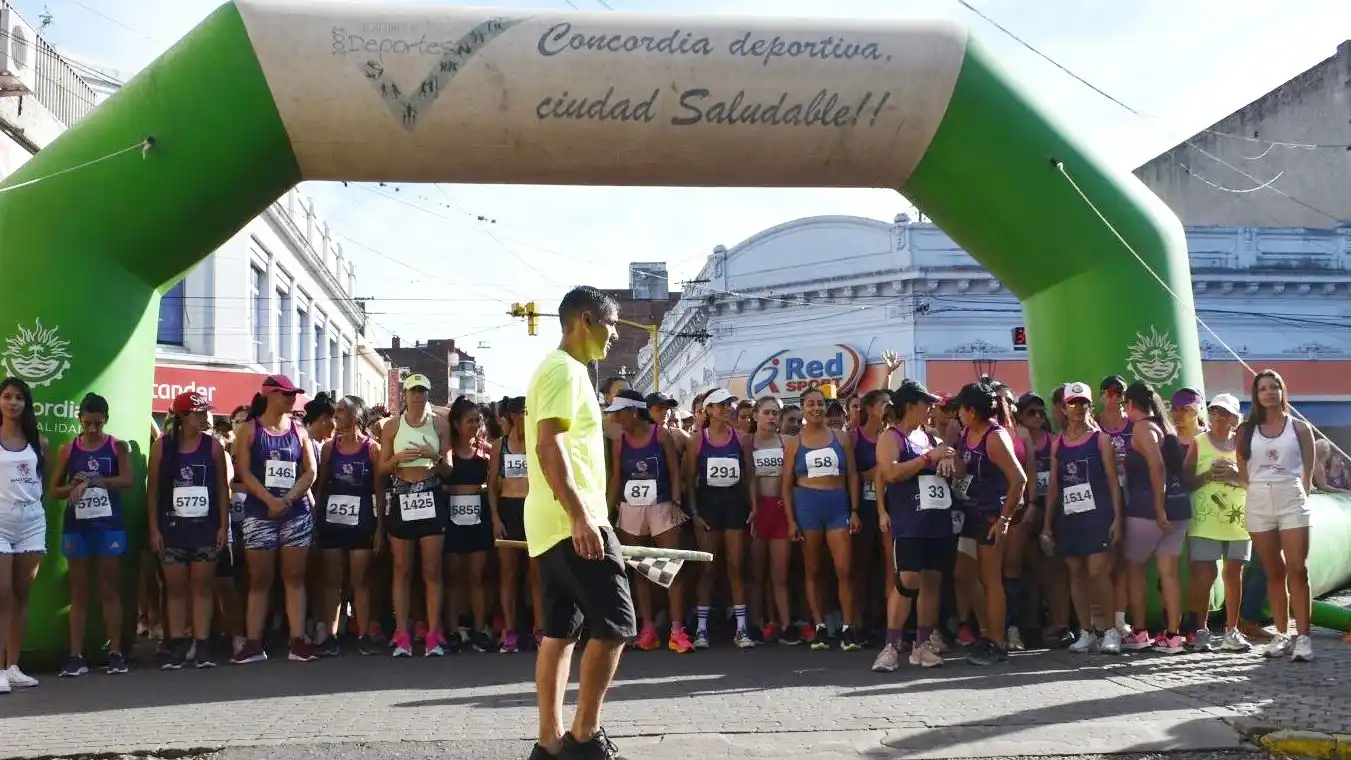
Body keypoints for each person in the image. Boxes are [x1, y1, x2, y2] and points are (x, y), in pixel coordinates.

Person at [525, 286, 635, 760]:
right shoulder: (564, 370)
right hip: (573, 519)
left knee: (560, 632)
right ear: (585, 320)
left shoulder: (565, 372)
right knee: (616, 625)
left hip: (555, 522)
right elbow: (549, 447)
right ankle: (584, 738)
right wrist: (581, 517)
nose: (613, 336)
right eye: (611, 326)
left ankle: (548, 746)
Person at [231, 375, 320, 664]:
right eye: (286, 393)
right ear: (269, 394)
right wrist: (269, 501)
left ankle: (298, 642)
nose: (292, 398)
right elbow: (243, 471)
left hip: (295, 514)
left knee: (294, 578)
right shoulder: (249, 430)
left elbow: (310, 471)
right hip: (260, 513)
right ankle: (254, 643)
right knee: (259, 580)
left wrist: (289, 499)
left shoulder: (299, 431)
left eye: (294, 393)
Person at [873, 379, 956, 671]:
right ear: (910, 405)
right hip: (909, 522)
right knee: (907, 581)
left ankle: (921, 646)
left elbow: (948, 461)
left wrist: (948, 461)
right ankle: (891, 646)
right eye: (926, 403)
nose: (932, 407)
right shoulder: (891, 437)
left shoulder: (931, 436)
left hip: (937, 520)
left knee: (932, 582)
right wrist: (926, 459)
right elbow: (891, 473)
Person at [147, 390, 230, 669]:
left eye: (206, 412)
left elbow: (222, 489)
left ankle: (202, 644)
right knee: (175, 589)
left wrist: (223, 526)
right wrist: (154, 529)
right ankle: (177, 645)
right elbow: (153, 491)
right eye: (199, 413)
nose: (205, 417)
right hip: (172, 529)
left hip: (205, 528)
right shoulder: (162, 447)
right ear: (183, 416)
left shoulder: (213, 447)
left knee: (203, 587)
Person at [52, 393, 133, 676]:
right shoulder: (68, 449)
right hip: (78, 527)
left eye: (98, 424)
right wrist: (72, 485)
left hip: (109, 526)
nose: (92, 429)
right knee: (79, 592)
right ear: (79, 420)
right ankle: (75, 656)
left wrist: (96, 481)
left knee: (109, 588)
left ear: (106, 420)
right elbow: (53, 491)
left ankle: (116, 653)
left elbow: (127, 480)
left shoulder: (116, 446)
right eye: (87, 423)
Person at [1237, 369, 1316, 662]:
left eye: (1274, 387)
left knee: (1298, 567)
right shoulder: (1246, 430)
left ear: (1282, 392)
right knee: (1272, 571)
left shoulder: (1299, 428)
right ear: (1256, 395)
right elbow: (1242, 469)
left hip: (1291, 497)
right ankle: (1282, 634)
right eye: (1263, 389)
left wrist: (1300, 494)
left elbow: (1309, 470)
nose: (1269, 392)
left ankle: (1303, 637)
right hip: (1258, 499)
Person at [1040, 382, 1123, 655]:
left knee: (1098, 572)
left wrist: (1117, 518)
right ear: (1063, 408)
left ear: (1090, 406)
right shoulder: (1058, 443)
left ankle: (1110, 630)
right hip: (1069, 517)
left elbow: (1113, 482)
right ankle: (1086, 631)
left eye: (1083, 403)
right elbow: (1054, 486)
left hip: (1098, 516)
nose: (1078, 408)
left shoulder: (1101, 440)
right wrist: (1047, 526)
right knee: (1075, 572)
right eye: (1072, 403)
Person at [607, 389, 689, 653]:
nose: (616, 418)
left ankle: (677, 630)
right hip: (631, 508)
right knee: (640, 569)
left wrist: (676, 502)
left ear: (632, 411)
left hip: (663, 506)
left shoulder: (660, 434)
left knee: (670, 566)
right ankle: (648, 628)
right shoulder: (619, 442)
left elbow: (675, 471)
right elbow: (617, 477)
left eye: (619, 413)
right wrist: (608, 510)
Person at [952, 381, 1027, 665]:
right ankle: (987, 632)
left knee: (991, 579)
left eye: (960, 408)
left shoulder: (995, 437)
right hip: (970, 513)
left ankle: (997, 643)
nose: (957, 413)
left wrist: (1005, 519)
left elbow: (1019, 479)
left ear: (971, 410)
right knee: (964, 574)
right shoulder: (967, 433)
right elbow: (963, 466)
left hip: (991, 516)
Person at [379, 373, 453, 658]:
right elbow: (382, 470)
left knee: (432, 570)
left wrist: (432, 455)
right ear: (405, 395)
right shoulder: (392, 426)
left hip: (430, 494)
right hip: (402, 494)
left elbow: (448, 468)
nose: (418, 396)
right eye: (413, 391)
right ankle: (402, 633)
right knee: (402, 569)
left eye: (423, 391)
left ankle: (434, 633)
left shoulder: (440, 424)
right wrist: (398, 459)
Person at [782, 386, 861, 652]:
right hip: (807, 506)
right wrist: (791, 520)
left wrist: (855, 509)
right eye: (810, 404)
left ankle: (848, 627)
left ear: (825, 407)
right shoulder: (794, 443)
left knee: (844, 568)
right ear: (803, 409)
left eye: (819, 403)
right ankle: (819, 626)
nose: (816, 408)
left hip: (838, 505)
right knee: (812, 569)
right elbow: (786, 484)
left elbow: (852, 475)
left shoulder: (842, 437)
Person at [1119, 381, 1190, 654]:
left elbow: (1157, 466)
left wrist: (1158, 509)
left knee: (1135, 570)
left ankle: (1139, 632)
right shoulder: (1166, 427)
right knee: (1169, 575)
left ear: (1129, 404)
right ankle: (1173, 636)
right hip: (1178, 508)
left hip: (1148, 511)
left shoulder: (1142, 428)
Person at [314, 395, 383, 656]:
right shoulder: (329, 448)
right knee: (332, 582)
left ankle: (365, 635)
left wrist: (380, 529)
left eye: (342, 411)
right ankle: (330, 637)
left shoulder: (372, 449)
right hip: (332, 522)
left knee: (361, 581)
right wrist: (316, 521)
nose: (336, 415)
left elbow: (378, 491)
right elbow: (321, 488)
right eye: (336, 411)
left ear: (356, 415)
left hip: (362, 521)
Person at [686, 388, 754, 649]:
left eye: (729, 404)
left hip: (734, 506)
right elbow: (689, 480)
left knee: (736, 567)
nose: (727, 409)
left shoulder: (741, 439)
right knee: (708, 568)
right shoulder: (697, 440)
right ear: (709, 410)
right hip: (708, 507)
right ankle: (701, 630)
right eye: (721, 405)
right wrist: (693, 513)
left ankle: (741, 628)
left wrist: (753, 505)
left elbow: (748, 476)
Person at [1183, 392, 1251, 654]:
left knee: (1234, 575)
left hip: (1239, 520)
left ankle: (1231, 631)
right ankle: (1200, 631)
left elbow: (1253, 481)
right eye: (1213, 412)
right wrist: (1209, 475)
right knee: (1204, 574)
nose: (1217, 417)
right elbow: (1186, 481)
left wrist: (1235, 474)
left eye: (1224, 413)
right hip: (1205, 520)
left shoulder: (1244, 446)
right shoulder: (1199, 442)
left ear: (1235, 419)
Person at [0, 377, 49, 692]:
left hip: (32, 521)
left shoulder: (39, 441)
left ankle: (13, 666)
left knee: (21, 596)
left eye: (19, 397)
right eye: (7, 396)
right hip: (0, 520)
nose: (13, 402)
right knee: (2, 594)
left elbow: (42, 482)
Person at [489, 395, 542, 653]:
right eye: (519, 413)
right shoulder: (500, 445)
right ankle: (509, 631)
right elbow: (491, 487)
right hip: (509, 509)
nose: (523, 418)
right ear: (511, 416)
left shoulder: (538, 443)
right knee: (508, 574)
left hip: (533, 508)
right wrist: (495, 517)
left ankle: (539, 629)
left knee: (536, 574)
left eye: (527, 413)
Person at [444, 396, 495, 653]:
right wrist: (460, 489)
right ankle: (455, 628)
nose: (475, 425)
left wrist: (481, 489)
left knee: (477, 576)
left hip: (479, 521)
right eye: (469, 420)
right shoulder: (448, 454)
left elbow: (494, 486)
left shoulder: (487, 452)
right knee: (454, 577)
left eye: (478, 420)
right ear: (456, 424)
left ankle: (480, 627)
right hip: (452, 522)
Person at [747, 395, 795, 645]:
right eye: (766, 412)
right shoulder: (746, 442)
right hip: (758, 511)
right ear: (755, 415)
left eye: (775, 413)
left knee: (780, 573)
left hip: (780, 509)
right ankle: (757, 623)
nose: (771, 417)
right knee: (757, 573)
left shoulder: (787, 441)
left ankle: (785, 624)